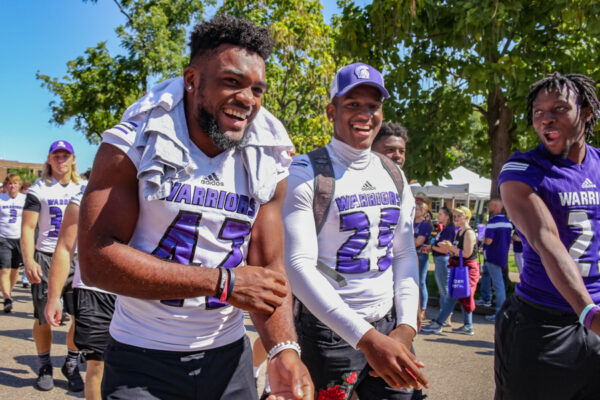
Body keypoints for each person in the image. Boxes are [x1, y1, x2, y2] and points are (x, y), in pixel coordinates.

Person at [78, 15, 312, 400]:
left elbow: (268, 269)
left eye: (257, 89)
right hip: (142, 357)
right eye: (232, 82)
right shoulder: (134, 143)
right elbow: (95, 260)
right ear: (191, 80)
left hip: (228, 356)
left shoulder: (269, 156)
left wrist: (284, 350)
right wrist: (223, 282)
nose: (247, 100)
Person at [284, 62, 428, 400]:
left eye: (373, 105)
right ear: (331, 111)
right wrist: (366, 338)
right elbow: (298, 266)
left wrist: (404, 329)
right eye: (352, 104)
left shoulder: (393, 173)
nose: (365, 114)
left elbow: (404, 254)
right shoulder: (305, 172)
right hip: (330, 333)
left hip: (388, 325)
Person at [495, 72, 600, 399]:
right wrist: (590, 313)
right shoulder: (521, 170)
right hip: (544, 324)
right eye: (538, 112)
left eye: (559, 108)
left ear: (586, 112)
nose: (546, 118)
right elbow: (546, 241)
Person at [21, 140, 84, 391]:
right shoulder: (39, 189)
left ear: (73, 159)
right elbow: (27, 227)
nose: (61, 160)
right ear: (49, 159)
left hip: (78, 257)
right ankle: (45, 364)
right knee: (44, 317)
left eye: (65, 155)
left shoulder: (84, 187)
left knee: (82, 316)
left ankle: (71, 362)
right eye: (56, 155)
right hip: (47, 256)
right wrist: (28, 259)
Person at [44, 186, 115, 400]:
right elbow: (65, 247)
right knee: (97, 364)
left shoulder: (148, 185)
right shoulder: (83, 196)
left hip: (136, 292)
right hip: (93, 289)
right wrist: (53, 297)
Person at [421, 206, 480, 335]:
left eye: (459, 216)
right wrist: (450, 247)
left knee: (453, 296)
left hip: (467, 268)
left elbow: (466, 253)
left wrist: (450, 248)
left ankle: (438, 324)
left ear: (467, 217)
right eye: (455, 216)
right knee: (462, 295)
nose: (456, 218)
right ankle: (467, 326)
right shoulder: (460, 232)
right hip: (459, 267)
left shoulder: (468, 232)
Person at [476, 198, 512, 321]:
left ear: (496, 206)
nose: (488, 208)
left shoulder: (492, 222)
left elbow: (489, 240)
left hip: (491, 255)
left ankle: (499, 311)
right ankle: (486, 298)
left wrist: (481, 237)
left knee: (498, 283)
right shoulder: (507, 221)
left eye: (490, 206)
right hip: (501, 255)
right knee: (487, 275)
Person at [423, 206, 455, 326]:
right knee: (443, 289)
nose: (438, 216)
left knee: (444, 289)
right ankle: (444, 315)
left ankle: (446, 317)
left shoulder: (448, 230)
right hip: (439, 260)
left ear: (447, 216)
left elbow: (444, 249)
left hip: (443, 260)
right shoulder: (444, 229)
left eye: (441, 214)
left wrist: (431, 247)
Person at [0, 173, 26, 312]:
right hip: (3, 238)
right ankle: (7, 297)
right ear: (6, 185)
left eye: (15, 183)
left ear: (19, 185)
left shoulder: (25, 199)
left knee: (15, 270)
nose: (12, 186)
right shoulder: (1, 199)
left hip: (19, 239)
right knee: (4, 269)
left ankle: (8, 294)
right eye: (10, 183)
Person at [414, 201, 433, 323]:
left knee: (420, 282)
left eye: (416, 209)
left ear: (423, 211)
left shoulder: (425, 225)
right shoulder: (410, 222)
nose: (414, 211)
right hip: (411, 254)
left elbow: (418, 242)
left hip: (420, 255)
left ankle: (422, 310)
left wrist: (409, 237)